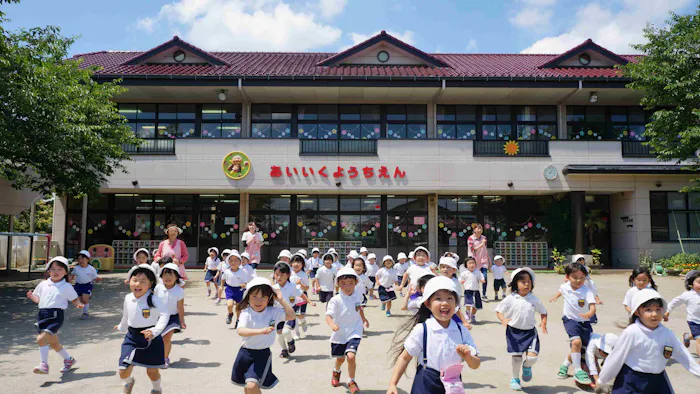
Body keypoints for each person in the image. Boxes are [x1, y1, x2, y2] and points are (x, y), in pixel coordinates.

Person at [387, 276, 480, 394]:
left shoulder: (461, 330)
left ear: (456, 303)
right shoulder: (422, 329)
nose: (445, 303)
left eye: (450, 298)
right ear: (427, 304)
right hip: (426, 382)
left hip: (453, 382)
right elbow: (404, 357)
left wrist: (468, 357)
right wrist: (392, 384)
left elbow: (475, 364)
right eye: (438, 298)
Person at [597, 289, 700, 393]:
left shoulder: (667, 333)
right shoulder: (632, 332)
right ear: (637, 312)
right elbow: (617, 357)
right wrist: (602, 379)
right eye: (648, 310)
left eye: (658, 309)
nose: (654, 314)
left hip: (657, 381)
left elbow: (683, 354)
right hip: (632, 380)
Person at [232, 277, 296, 393]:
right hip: (245, 353)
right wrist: (261, 331)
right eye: (254, 297)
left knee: (251, 385)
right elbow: (240, 331)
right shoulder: (246, 313)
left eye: (263, 297)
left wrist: (281, 300)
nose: (258, 301)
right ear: (248, 297)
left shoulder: (273, 312)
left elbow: (292, 316)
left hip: (262, 354)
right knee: (248, 386)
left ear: (269, 298)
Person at [115, 264, 170, 394]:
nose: (137, 284)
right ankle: (128, 382)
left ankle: (157, 389)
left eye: (143, 281)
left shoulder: (154, 299)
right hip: (132, 337)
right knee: (123, 370)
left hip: (150, 338)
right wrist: (122, 326)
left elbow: (164, 315)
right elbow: (126, 315)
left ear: (150, 284)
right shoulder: (128, 297)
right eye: (134, 280)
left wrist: (155, 331)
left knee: (151, 371)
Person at [495, 267, 548, 391]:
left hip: (530, 333)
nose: (526, 284)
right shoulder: (510, 299)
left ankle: (527, 366)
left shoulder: (534, 299)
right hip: (514, 332)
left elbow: (543, 312)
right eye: (523, 282)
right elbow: (499, 311)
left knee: (532, 358)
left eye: (529, 282)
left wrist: (543, 323)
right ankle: (515, 379)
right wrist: (503, 319)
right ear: (515, 284)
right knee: (516, 358)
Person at [28, 256, 83, 374]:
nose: (56, 272)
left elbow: (74, 298)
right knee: (53, 343)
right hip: (42, 314)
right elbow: (38, 299)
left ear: (65, 272)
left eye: (59, 269)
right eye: (53, 269)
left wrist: (78, 304)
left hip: (55, 316)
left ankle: (44, 365)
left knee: (41, 339)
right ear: (48, 271)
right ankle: (69, 360)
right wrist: (32, 297)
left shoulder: (66, 286)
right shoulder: (43, 284)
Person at [549, 262, 597, 385]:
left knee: (579, 347)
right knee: (576, 342)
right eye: (575, 277)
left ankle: (564, 366)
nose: (578, 280)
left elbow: (593, 307)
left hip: (584, 322)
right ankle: (578, 370)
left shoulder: (587, 290)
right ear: (568, 277)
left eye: (582, 278)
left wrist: (589, 314)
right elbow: (561, 290)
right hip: (570, 320)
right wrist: (555, 297)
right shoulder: (565, 287)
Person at [326, 267, 370, 394]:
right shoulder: (335, 300)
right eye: (343, 283)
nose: (347, 286)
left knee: (351, 356)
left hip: (354, 330)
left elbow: (359, 308)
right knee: (340, 359)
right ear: (338, 284)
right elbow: (328, 315)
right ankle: (336, 371)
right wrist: (332, 324)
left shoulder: (359, 296)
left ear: (356, 283)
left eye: (351, 283)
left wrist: (364, 319)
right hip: (339, 333)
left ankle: (352, 381)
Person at [273, 261, 313, 358]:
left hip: (291, 312)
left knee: (286, 331)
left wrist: (309, 301)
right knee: (279, 334)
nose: (279, 277)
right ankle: (284, 350)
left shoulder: (292, 286)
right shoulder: (273, 288)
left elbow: (301, 294)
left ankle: (291, 342)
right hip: (278, 313)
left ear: (288, 275)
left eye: (282, 275)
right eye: (277, 275)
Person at [155, 263, 186, 369]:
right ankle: (155, 357)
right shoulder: (157, 288)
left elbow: (180, 306)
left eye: (171, 275)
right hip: (157, 318)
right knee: (157, 339)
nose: (167, 278)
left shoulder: (179, 291)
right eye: (165, 275)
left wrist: (182, 321)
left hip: (172, 318)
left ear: (176, 277)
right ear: (161, 276)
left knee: (166, 338)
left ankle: (165, 358)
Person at [665, 270, 700, 359]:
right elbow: (674, 302)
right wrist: (668, 311)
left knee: (697, 335)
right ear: (691, 284)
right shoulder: (687, 295)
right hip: (694, 321)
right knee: (699, 339)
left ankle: (687, 337)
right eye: (699, 282)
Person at [438, 256, 471, 329]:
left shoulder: (455, 282)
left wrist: (464, 321)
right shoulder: (438, 280)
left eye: (448, 267)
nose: (445, 269)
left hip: (452, 309)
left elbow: (457, 301)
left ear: (454, 270)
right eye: (443, 267)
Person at [221, 251, 251, 326]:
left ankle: (238, 320)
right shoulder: (227, 271)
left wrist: (243, 285)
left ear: (240, 262)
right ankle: (230, 314)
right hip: (229, 289)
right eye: (231, 260)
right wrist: (221, 286)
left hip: (239, 290)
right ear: (228, 262)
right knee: (229, 305)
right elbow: (223, 278)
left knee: (238, 307)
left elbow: (245, 282)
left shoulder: (242, 272)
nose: (233, 262)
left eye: (235, 260)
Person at [71, 249, 100, 320]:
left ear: (88, 259)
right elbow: (72, 275)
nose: (81, 261)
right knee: (80, 300)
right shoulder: (76, 268)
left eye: (82, 258)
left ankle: (85, 313)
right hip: (78, 285)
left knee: (84, 300)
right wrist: (69, 281)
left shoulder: (91, 269)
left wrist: (98, 279)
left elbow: (95, 277)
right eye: (79, 259)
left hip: (87, 285)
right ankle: (86, 299)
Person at [290, 254, 313, 338]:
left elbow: (307, 288)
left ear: (302, 264)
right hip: (292, 297)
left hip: (302, 296)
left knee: (300, 315)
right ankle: (296, 333)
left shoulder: (303, 275)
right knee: (294, 315)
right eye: (294, 261)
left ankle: (303, 321)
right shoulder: (289, 273)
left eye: (298, 262)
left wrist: (301, 284)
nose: (296, 264)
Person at [468, 223, 490, 300]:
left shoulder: (484, 237)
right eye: (478, 228)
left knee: (484, 277)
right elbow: (473, 249)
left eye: (481, 228)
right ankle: (475, 293)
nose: (480, 230)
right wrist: (482, 244)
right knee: (475, 278)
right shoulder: (470, 238)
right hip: (474, 261)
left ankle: (484, 294)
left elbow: (485, 250)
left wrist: (489, 261)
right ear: (474, 230)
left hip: (483, 260)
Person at [460, 257, 485, 324]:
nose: (472, 265)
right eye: (470, 263)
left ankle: (473, 315)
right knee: (468, 303)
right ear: (466, 265)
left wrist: (482, 280)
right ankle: (467, 313)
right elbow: (460, 278)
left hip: (476, 291)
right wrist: (461, 281)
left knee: (476, 305)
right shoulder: (465, 273)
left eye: (473, 263)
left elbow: (481, 277)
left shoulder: (478, 272)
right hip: (468, 291)